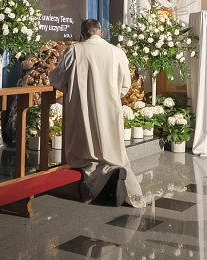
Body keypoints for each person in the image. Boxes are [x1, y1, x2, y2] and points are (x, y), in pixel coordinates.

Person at [49, 19, 145, 207]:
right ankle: (112, 174)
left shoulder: (75, 51)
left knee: (85, 156)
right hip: (109, 110)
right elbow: (125, 85)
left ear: (82, 34)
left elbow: (58, 79)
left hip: (82, 111)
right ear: (101, 33)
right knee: (111, 150)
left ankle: (97, 182)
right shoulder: (117, 52)